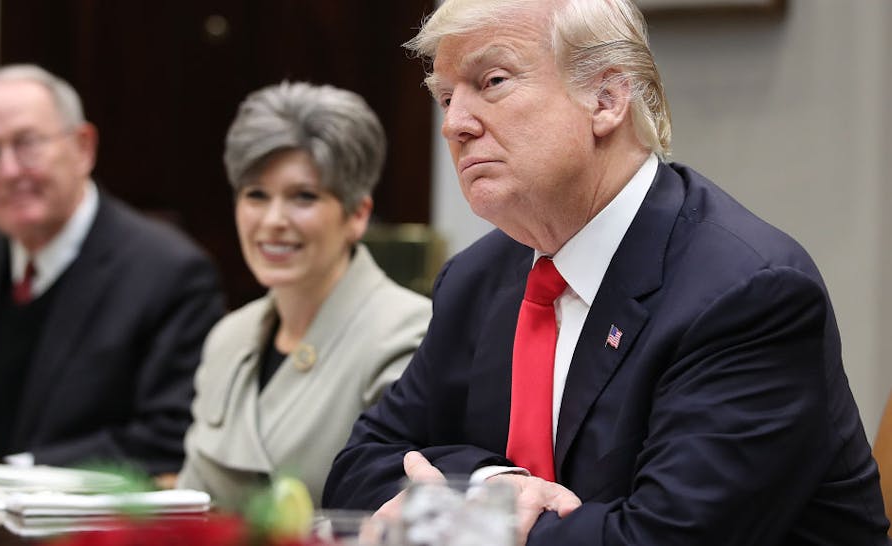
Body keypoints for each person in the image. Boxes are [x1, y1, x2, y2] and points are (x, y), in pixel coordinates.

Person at [322, 1, 891, 544]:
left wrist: (460, 521)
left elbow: (661, 537)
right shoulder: (477, 278)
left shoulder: (748, 295)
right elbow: (358, 473)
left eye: (491, 82)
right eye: (446, 96)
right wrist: (492, 491)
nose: (455, 125)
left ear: (607, 98)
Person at [0, 64, 226, 475]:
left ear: (83, 147)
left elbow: (169, 435)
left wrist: (16, 473)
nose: (9, 171)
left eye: (28, 143)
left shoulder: (169, 271)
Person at [176, 81, 432, 508]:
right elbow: (188, 507)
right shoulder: (228, 338)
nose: (273, 220)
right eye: (256, 194)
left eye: (303, 197)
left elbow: (397, 515)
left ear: (357, 215)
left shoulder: (409, 334)